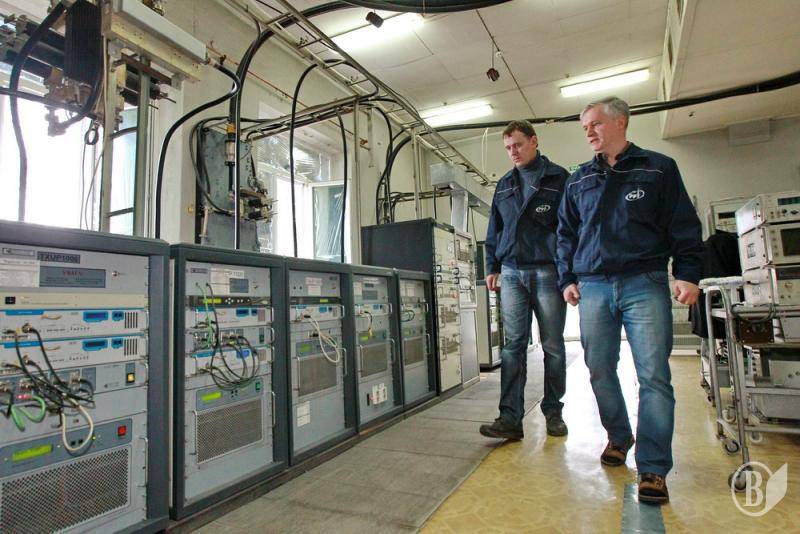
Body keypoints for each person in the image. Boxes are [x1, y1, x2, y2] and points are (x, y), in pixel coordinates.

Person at [556, 96, 703, 504]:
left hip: (644, 281)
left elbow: (683, 224)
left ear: (620, 122)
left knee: (653, 375)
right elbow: (565, 234)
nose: (588, 131)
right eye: (585, 126)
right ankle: (619, 436)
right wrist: (566, 278)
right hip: (593, 287)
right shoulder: (579, 180)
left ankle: (653, 467)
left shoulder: (658, 168)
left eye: (595, 123)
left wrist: (688, 273)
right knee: (599, 369)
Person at [479, 120, 570, 441]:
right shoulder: (505, 184)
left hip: (548, 271)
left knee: (553, 346)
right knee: (512, 347)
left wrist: (569, 273)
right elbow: (495, 228)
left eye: (517, 144)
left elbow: (570, 229)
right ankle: (509, 418)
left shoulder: (559, 178)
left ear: (534, 141)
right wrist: (492, 266)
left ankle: (553, 412)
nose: (513, 152)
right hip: (512, 272)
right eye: (507, 148)